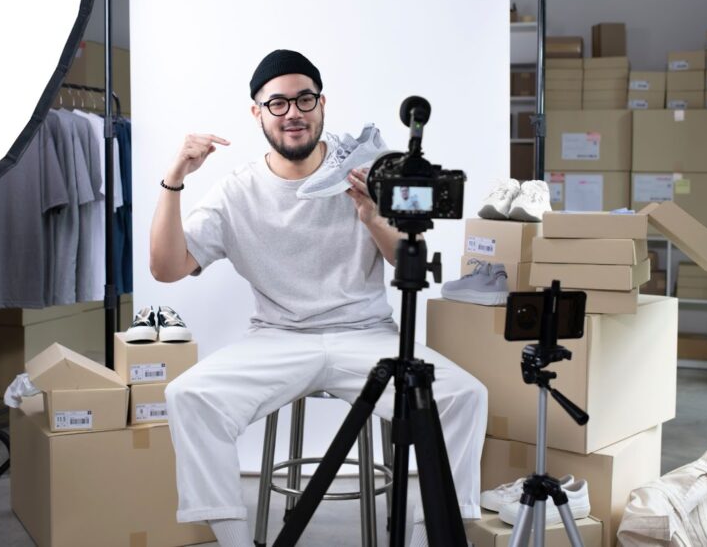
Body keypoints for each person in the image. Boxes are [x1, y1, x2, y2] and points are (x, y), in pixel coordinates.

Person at [151, 49, 487, 547]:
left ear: (322, 104)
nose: (293, 113)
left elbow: (405, 259)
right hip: (278, 338)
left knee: (465, 396)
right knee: (188, 395)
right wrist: (175, 177)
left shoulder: (365, 170)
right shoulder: (236, 192)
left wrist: (372, 217)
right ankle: (236, 541)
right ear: (257, 113)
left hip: (366, 334)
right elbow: (166, 268)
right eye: (278, 103)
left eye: (304, 99)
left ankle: (427, 539)